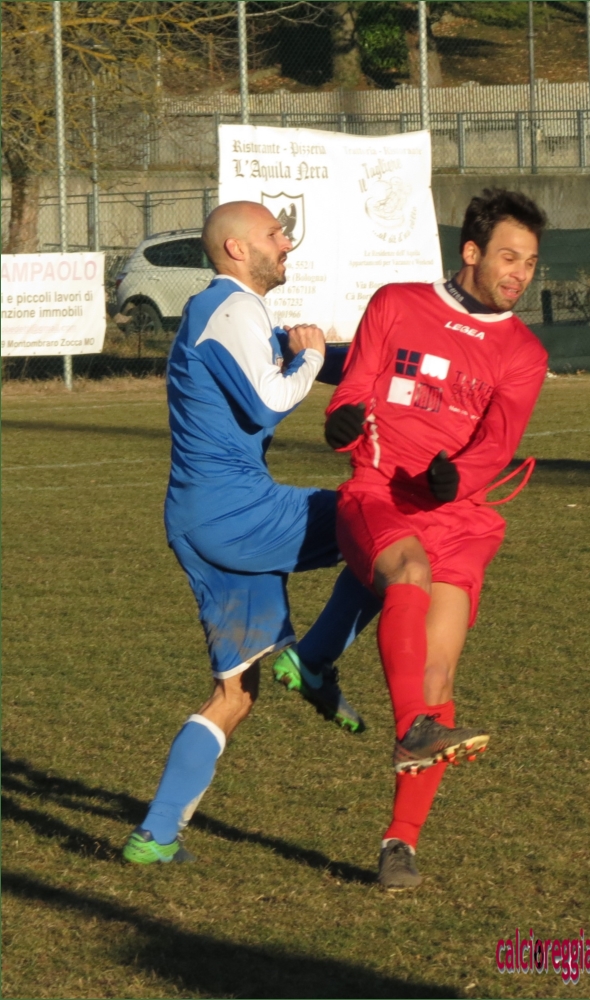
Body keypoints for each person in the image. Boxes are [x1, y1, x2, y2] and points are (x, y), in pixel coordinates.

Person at [123, 201, 379, 864]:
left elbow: (299, 359)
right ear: (237, 249)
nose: (286, 243)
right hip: (235, 512)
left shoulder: (227, 312)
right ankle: (316, 662)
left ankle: (156, 835)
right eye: (273, 234)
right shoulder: (232, 308)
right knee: (388, 531)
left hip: (200, 519)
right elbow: (271, 399)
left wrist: (377, 359)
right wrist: (312, 356)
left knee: (235, 693)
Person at [324, 188, 549, 888]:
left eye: (530, 262)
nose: (520, 274)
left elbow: (497, 445)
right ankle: (413, 729)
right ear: (471, 252)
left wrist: (460, 477)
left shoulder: (524, 352)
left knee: (439, 677)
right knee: (410, 573)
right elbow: (353, 388)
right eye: (508, 257)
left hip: (458, 517)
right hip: (378, 495)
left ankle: (401, 843)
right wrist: (341, 419)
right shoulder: (396, 303)